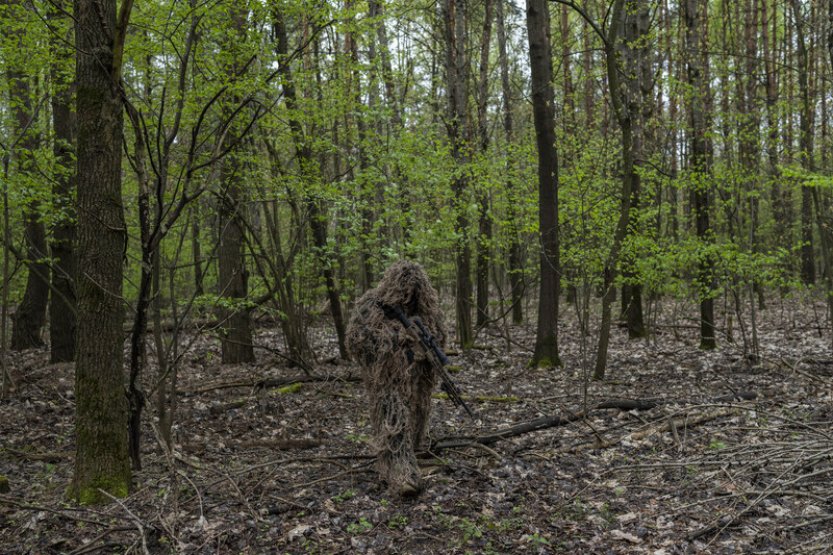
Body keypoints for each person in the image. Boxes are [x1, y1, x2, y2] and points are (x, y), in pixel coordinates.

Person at [346, 260, 446, 496]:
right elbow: (356, 339)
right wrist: (398, 341)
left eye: (413, 291)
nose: (408, 296)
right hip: (386, 378)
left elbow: (439, 335)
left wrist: (426, 348)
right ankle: (401, 473)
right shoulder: (372, 305)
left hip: (419, 376)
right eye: (403, 290)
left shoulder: (427, 311)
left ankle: (411, 453)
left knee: (418, 413)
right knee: (393, 416)